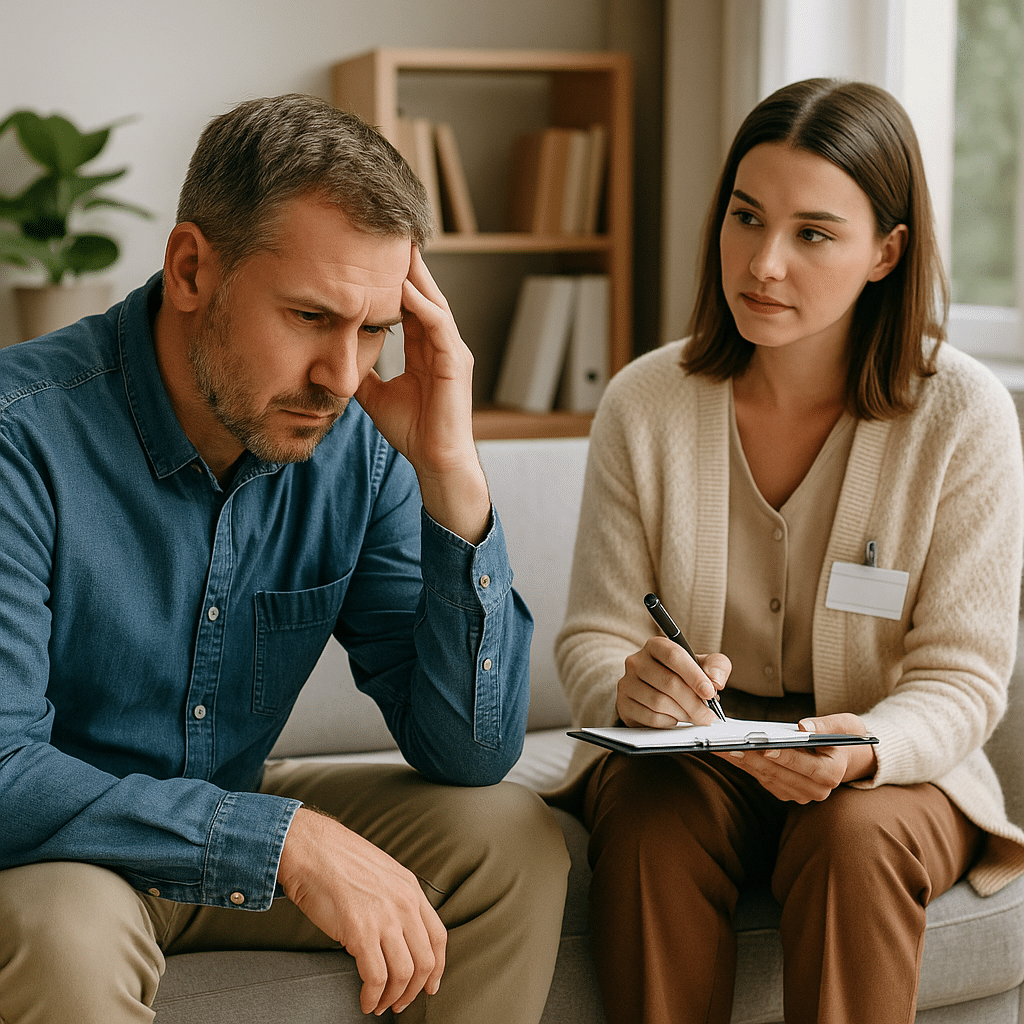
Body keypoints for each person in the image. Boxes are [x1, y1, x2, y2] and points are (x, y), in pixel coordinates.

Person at [0, 93, 570, 1024]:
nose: (344, 378)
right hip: (58, 859)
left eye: (375, 328)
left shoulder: (361, 444)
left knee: (507, 835)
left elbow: (467, 754)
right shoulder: (19, 439)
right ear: (191, 268)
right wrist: (281, 841)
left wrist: (452, 476)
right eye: (312, 316)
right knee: (65, 928)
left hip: (232, 822)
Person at [554, 78, 1024, 1024]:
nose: (762, 263)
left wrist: (865, 747)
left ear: (886, 252)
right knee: (650, 818)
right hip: (696, 764)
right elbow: (595, 638)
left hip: (888, 770)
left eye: (812, 233)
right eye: (745, 216)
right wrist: (630, 688)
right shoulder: (643, 404)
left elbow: (965, 678)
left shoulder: (962, 416)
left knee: (852, 838)